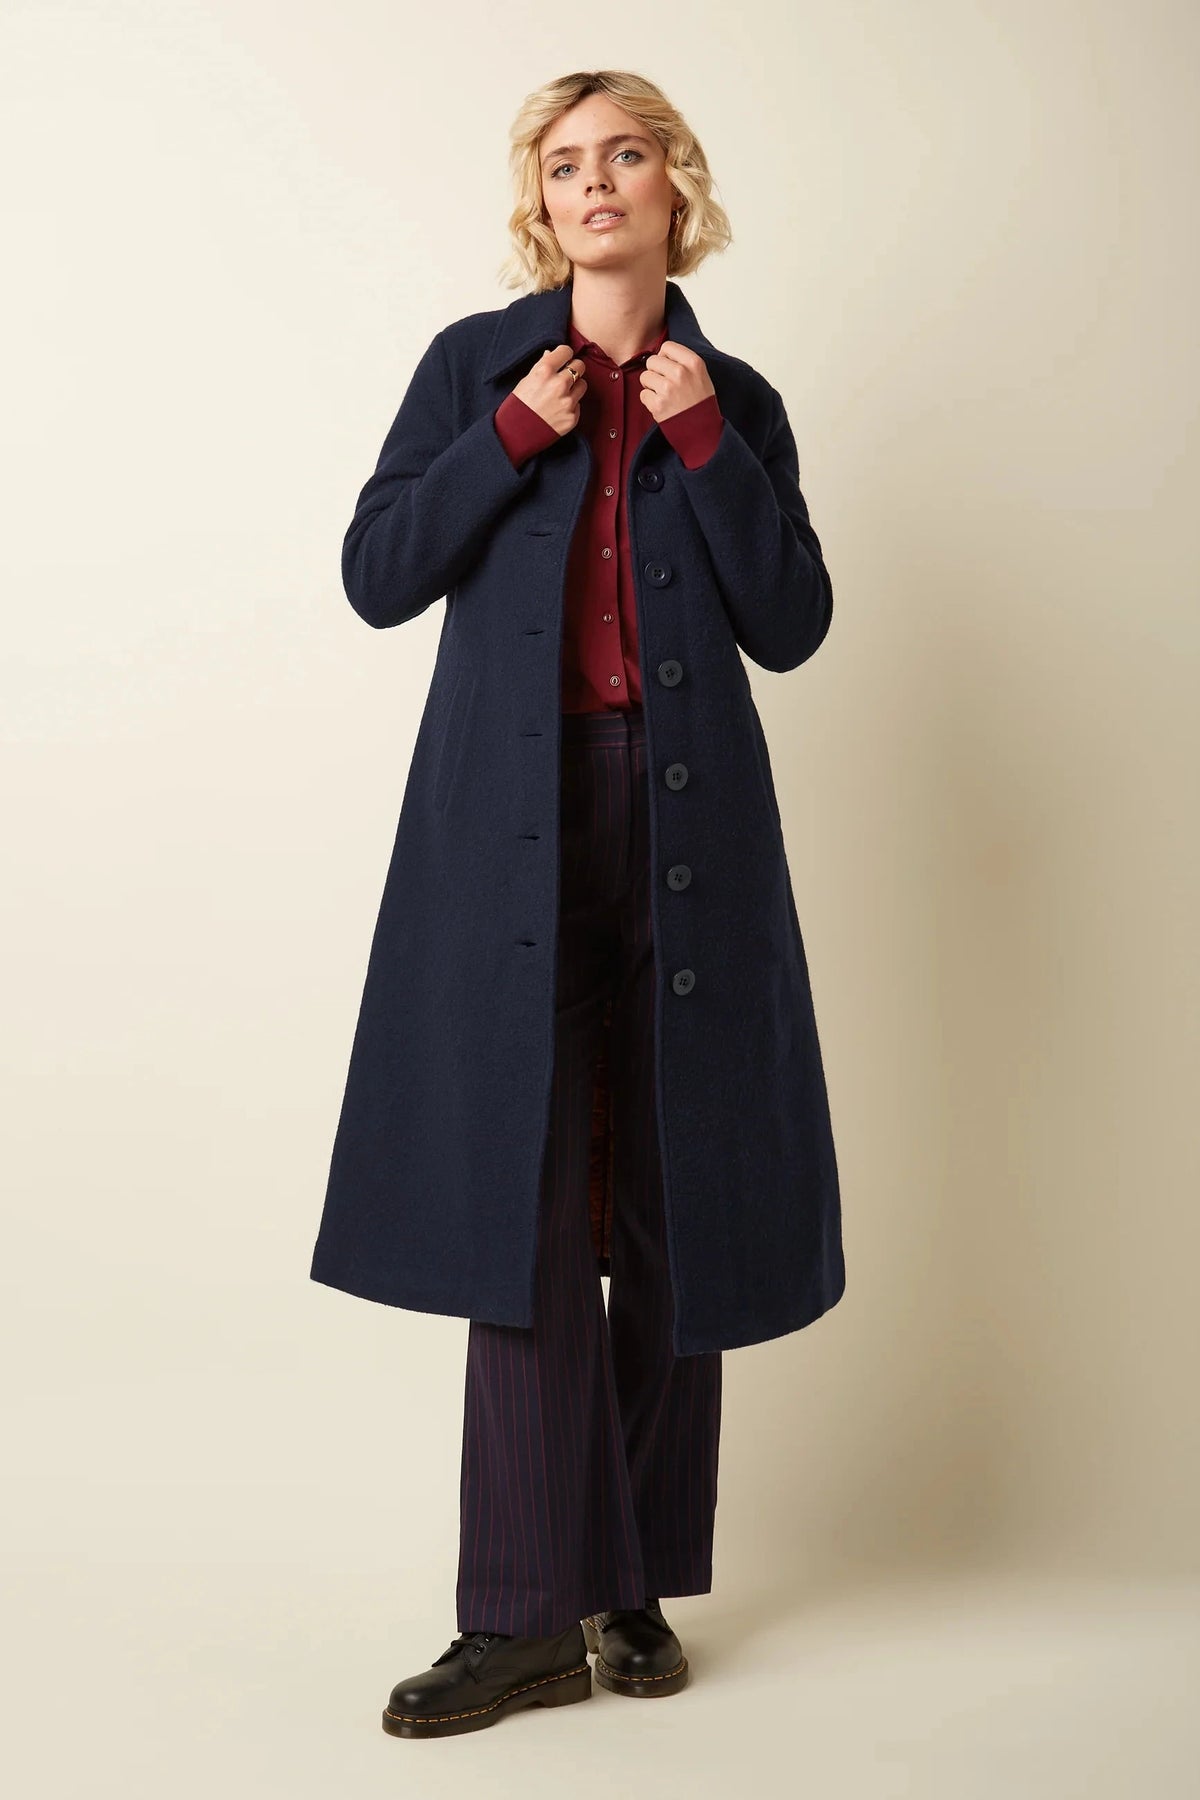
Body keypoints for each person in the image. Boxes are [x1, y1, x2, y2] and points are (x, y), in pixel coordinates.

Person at [310, 68, 846, 1741]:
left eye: (625, 154)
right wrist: (510, 439)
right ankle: (525, 1612)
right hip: (508, 836)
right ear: (539, 205)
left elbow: (794, 621)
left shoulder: (736, 399)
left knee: (675, 1192)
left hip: (691, 830)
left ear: (676, 186)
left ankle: (632, 1587)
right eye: (564, 163)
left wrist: (702, 442)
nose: (595, 180)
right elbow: (377, 574)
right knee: (523, 1204)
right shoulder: (472, 370)